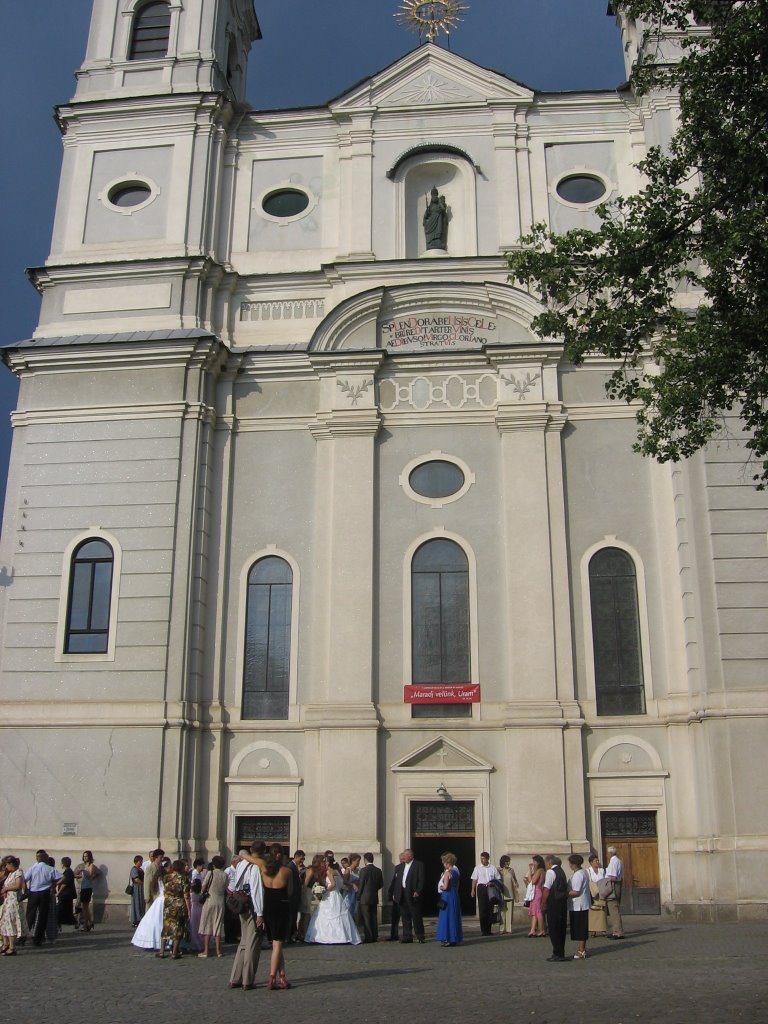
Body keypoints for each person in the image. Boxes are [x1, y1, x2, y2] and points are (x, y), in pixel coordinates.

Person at [228, 845, 265, 990]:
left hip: (241, 906)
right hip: (251, 908)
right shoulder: (255, 868)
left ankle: (235, 978)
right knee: (252, 944)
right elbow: (256, 891)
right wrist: (260, 913)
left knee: (243, 943)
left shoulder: (241, 864)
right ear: (262, 852)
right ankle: (247, 980)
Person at [304, 854, 362, 945]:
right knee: (340, 913)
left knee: (326, 914)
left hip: (330, 894)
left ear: (327, 863)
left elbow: (333, 884)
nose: (323, 863)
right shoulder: (336, 871)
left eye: (325, 862)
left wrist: (325, 890)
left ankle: (328, 937)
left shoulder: (328, 872)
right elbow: (341, 883)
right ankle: (343, 935)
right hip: (336, 895)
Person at [260, 844, 294, 989]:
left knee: (276, 944)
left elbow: (253, 858)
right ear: (280, 855)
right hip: (281, 906)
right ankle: (272, 978)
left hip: (267, 907)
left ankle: (282, 977)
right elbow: (291, 892)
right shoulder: (287, 871)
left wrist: (243, 856)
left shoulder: (263, 869)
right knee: (278, 944)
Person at [24, 849, 59, 946]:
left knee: (30, 916)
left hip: (33, 893)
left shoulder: (33, 868)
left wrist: (26, 890)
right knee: (42, 916)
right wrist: (53, 884)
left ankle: (23, 937)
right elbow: (61, 877)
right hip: (44, 893)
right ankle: (38, 938)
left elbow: (24, 879)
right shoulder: (49, 868)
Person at [391, 848, 425, 944]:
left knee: (416, 916)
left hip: (412, 893)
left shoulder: (418, 865)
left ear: (410, 856)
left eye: (405, 856)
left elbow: (421, 879)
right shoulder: (400, 867)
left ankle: (420, 935)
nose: (403, 857)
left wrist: (418, 891)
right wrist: (395, 893)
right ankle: (407, 936)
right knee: (405, 916)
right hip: (402, 893)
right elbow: (397, 882)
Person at [158, 860, 190, 959]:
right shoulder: (183, 879)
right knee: (178, 929)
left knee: (166, 927)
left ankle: (162, 951)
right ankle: (174, 952)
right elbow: (186, 896)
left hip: (168, 905)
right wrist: (189, 909)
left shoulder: (166, 877)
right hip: (179, 905)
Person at [132, 858, 166, 952]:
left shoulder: (159, 876)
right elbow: (147, 882)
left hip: (160, 898)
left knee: (157, 921)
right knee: (157, 921)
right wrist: (146, 896)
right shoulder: (150, 869)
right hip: (160, 899)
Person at [198, 855, 228, 958]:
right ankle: (218, 951)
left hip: (210, 900)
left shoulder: (210, 873)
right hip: (220, 902)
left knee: (207, 925)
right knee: (218, 925)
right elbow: (226, 888)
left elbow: (203, 888)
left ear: (214, 864)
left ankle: (206, 951)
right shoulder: (225, 875)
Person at [542, 855, 569, 962]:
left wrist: (543, 902)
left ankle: (557, 953)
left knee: (553, 928)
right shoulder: (561, 871)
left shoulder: (550, 872)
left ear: (549, 863)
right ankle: (560, 952)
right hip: (562, 902)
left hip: (553, 902)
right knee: (561, 928)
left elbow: (547, 889)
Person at [0, 857, 28, 954]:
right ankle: (6, 944)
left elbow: (18, 886)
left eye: (7, 865)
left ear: (11, 864)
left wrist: (6, 888)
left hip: (13, 902)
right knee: (4, 922)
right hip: (7, 901)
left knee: (11, 923)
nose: (6, 867)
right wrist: (4, 890)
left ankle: (12, 947)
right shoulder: (10, 874)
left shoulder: (18, 872)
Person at [471, 851, 502, 936]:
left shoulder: (492, 868)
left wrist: (493, 883)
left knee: (490, 909)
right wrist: (472, 889)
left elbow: (498, 879)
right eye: (481, 858)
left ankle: (488, 930)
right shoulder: (477, 868)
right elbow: (474, 879)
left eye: (483, 859)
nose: (482, 860)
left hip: (490, 888)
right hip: (481, 888)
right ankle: (483, 930)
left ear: (487, 859)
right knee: (482, 909)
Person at [567, 854, 591, 960]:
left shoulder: (578, 875)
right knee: (580, 927)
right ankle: (581, 949)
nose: (569, 865)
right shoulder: (583, 872)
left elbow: (576, 892)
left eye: (570, 863)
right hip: (580, 904)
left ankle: (582, 950)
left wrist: (564, 893)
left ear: (574, 864)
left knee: (581, 928)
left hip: (579, 904)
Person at [436, 852, 463, 947]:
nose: (443, 864)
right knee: (454, 916)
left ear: (448, 862)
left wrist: (441, 887)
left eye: (444, 863)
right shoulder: (456, 872)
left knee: (446, 917)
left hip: (447, 896)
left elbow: (446, 887)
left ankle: (446, 938)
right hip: (454, 895)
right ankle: (454, 938)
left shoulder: (447, 873)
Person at [357, 852, 383, 943]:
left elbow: (361, 884)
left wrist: (359, 895)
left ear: (365, 860)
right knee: (374, 917)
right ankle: (375, 935)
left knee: (366, 918)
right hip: (374, 897)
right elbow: (381, 884)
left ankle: (369, 937)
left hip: (364, 897)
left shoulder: (364, 870)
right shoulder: (378, 870)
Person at [74, 851, 99, 932]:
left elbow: (90, 876)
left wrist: (83, 871)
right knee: (84, 907)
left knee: (85, 908)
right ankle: (90, 923)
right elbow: (77, 875)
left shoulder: (91, 866)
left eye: (86, 856)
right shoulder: (83, 866)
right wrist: (80, 871)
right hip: (83, 887)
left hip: (88, 888)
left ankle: (86, 925)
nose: (85, 858)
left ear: (90, 857)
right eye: (84, 856)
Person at [605, 846, 625, 939]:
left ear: (610, 853)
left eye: (607, 853)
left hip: (613, 886)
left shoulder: (613, 862)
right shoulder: (619, 861)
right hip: (618, 885)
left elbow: (613, 877)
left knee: (614, 909)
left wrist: (604, 880)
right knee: (615, 908)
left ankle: (618, 932)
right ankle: (615, 930)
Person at [525, 855, 546, 937]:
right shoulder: (540, 870)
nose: (533, 863)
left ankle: (542, 930)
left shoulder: (540, 870)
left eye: (534, 862)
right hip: (536, 891)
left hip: (536, 892)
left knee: (538, 911)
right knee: (534, 912)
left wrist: (530, 871)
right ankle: (532, 930)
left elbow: (532, 881)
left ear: (538, 862)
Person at [587, 853, 608, 937]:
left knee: (602, 912)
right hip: (593, 893)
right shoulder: (588, 871)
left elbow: (605, 880)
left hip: (601, 892)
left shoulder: (601, 870)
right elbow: (588, 882)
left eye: (598, 860)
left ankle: (603, 930)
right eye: (596, 861)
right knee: (593, 912)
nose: (597, 862)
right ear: (591, 862)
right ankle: (593, 930)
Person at [188, 857, 206, 950]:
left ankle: (199, 941)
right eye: (201, 865)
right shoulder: (194, 874)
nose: (203, 867)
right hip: (195, 898)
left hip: (198, 898)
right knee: (194, 924)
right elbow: (192, 886)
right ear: (198, 866)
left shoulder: (199, 874)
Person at [387, 852, 406, 941]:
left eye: (403, 859)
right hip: (397, 896)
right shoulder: (397, 868)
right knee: (395, 918)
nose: (402, 861)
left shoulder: (409, 868)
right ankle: (394, 935)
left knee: (406, 917)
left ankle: (406, 935)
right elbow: (394, 882)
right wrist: (391, 893)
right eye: (400, 859)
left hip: (405, 896)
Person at [498, 855, 519, 934]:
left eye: (509, 861)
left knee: (509, 912)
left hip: (510, 893)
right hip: (501, 893)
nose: (508, 863)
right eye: (507, 861)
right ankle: (502, 928)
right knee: (502, 912)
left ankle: (509, 928)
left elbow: (515, 880)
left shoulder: (511, 870)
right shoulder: (498, 870)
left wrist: (516, 887)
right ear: (503, 862)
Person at [423, 186, 448, 250]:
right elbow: (426, 215)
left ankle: (438, 241)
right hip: (431, 220)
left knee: (439, 229)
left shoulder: (439, 203)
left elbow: (443, 209)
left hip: (439, 218)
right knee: (428, 225)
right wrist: (427, 213)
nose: (434, 196)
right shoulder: (430, 206)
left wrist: (439, 202)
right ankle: (431, 242)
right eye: (433, 194)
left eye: (435, 194)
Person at [57, 856, 77, 929]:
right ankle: (73, 922)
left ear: (63, 864)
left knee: (60, 909)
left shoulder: (68, 872)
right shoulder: (68, 871)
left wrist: (58, 893)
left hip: (66, 894)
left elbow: (64, 884)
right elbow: (61, 880)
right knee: (68, 910)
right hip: (68, 894)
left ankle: (58, 924)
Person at [129, 855, 145, 928]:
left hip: (141, 888)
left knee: (141, 903)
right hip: (136, 888)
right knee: (136, 903)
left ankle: (140, 918)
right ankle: (136, 920)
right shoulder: (134, 869)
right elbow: (136, 879)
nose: (141, 862)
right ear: (137, 861)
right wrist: (143, 883)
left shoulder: (141, 869)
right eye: (140, 861)